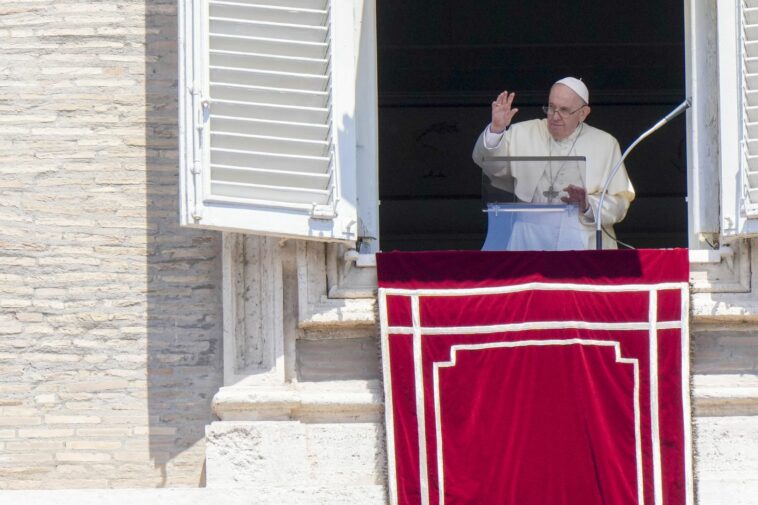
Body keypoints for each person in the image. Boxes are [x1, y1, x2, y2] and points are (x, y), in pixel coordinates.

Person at [472, 77, 635, 250]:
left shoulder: (605, 143)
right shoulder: (522, 132)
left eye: (564, 110)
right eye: (551, 107)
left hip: (582, 237)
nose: (555, 116)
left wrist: (588, 205)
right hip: (529, 237)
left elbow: (620, 202)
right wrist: (496, 129)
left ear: (583, 113)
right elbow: (490, 165)